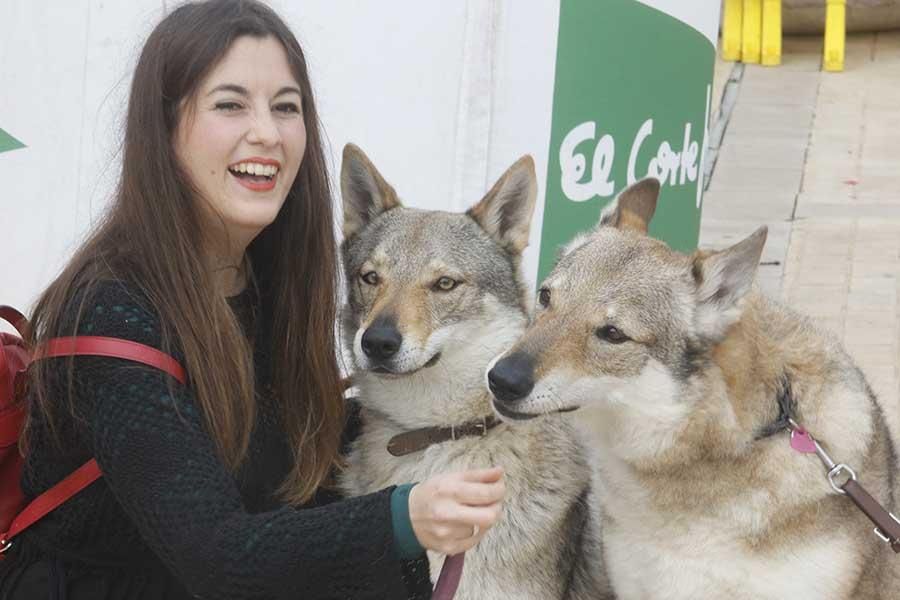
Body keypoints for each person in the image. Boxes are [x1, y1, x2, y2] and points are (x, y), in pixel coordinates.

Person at [0, 1, 505, 598]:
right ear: (165, 128)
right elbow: (219, 556)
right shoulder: (110, 307)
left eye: (286, 107)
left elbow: (281, 464)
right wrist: (405, 517)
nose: (265, 131)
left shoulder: (268, 284)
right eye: (230, 104)